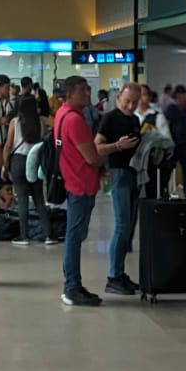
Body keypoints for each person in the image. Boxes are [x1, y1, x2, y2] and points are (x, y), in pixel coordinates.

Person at [56, 76, 137, 306]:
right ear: (71, 93)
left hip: (74, 179)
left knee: (75, 235)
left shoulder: (63, 115)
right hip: (80, 184)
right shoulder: (74, 120)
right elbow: (92, 155)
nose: (88, 92)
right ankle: (72, 286)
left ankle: (72, 284)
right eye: (83, 89)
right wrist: (116, 147)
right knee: (74, 236)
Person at [97, 84, 144, 296]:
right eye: (127, 101)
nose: (130, 105)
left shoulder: (134, 120)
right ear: (118, 99)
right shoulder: (109, 119)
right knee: (122, 225)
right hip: (119, 174)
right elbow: (97, 146)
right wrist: (117, 146)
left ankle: (120, 272)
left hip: (133, 173)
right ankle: (113, 275)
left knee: (129, 226)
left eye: (134, 102)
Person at [4, 86, 43, 247]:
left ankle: (23, 235)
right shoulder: (40, 121)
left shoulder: (15, 122)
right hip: (34, 160)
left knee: (22, 199)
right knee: (39, 198)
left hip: (19, 161)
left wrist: (4, 165)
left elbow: (8, 145)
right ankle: (48, 235)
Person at [162, 86, 186, 199]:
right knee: (169, 167)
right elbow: (166, 124)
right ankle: (164, 189)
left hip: (184, 142)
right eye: (182, 97)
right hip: (174, 143)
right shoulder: (172, 109)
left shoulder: (184, 108)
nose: (184, 99)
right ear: (177, 97)